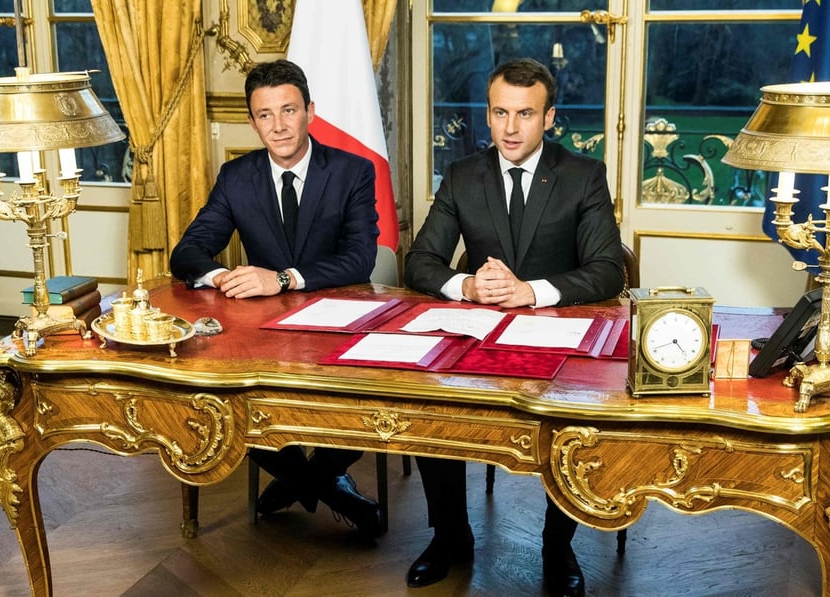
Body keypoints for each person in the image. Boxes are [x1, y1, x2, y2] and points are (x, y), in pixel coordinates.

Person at [403, 58, 626, 597]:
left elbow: (608, 270)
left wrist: (532, 292)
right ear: (488, 114)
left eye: (524, 114)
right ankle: (451, 536)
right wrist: (467, 287)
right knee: (436, 402)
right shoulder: (462, 175)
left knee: (571, 418)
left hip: (560, 335)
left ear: (549, 118)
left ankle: (557, 544)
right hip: (480, 337)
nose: (509, 128)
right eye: (500, 113)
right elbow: (419, 261)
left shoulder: (583, 176)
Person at [170, 59, 382, 537]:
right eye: (265, 115)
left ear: (309, 111)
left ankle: (303, 479)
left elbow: (359, 261)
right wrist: (224, 275)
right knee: (218, 399)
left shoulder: (352, 171)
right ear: (252, 121)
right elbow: (187, 252)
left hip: (340, 328)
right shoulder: (237, 176)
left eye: (289, 111)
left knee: (371, 401)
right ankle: (323, 485)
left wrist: (283, 278)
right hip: (261, 333)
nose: (279, 125)